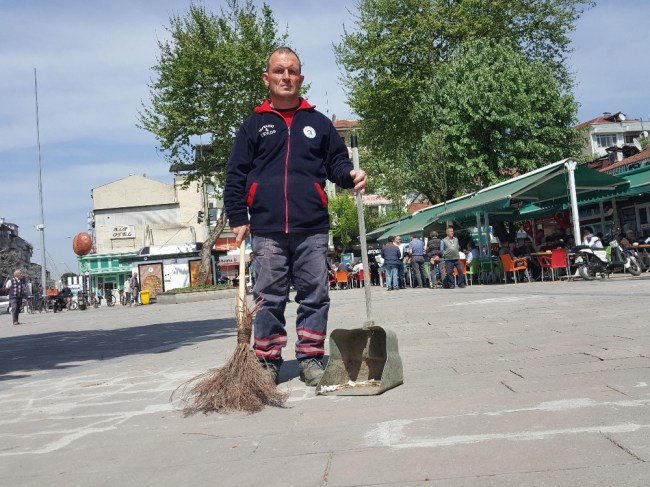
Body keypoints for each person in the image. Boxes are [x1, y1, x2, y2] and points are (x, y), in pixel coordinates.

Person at [223, 46, 367, 386]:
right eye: (279, 71)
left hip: (312, 228)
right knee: (268, 299)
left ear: (301, 78)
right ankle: (267, 361)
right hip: (267, 229)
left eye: (292, 71)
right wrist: (238, 216)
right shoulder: (253, 126)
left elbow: (336, 163)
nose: (286, 77)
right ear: (267, 78)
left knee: (315, 296)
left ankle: (311, 359)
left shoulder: (318, 123)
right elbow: (236, 175)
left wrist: (349, 176)